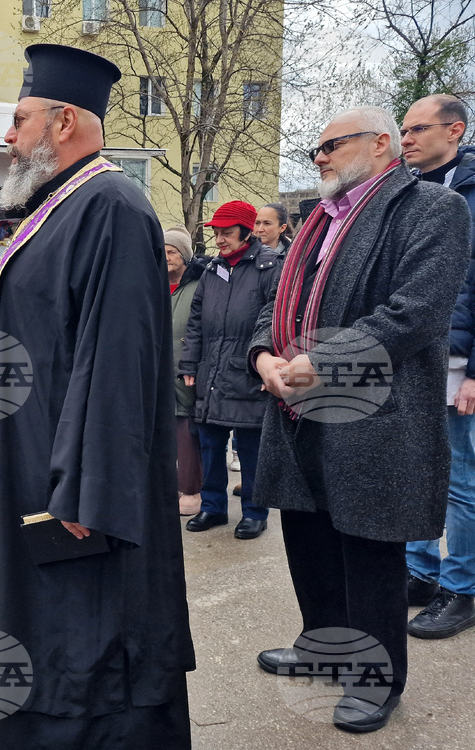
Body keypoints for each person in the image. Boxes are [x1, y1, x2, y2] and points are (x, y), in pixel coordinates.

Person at [0, 44, 195, 749]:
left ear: (63, 122)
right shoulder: (58, 207)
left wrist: (87, 490)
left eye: (19, 119)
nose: (8, 135)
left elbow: (119, 361)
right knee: (46, 631)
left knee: (89, 645)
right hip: (34, 463)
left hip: (74, 495)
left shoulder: (111, 206)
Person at [250, 106, 470, 732]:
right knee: (308, 536)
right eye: (315, 149)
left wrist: (319, 362)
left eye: (331, 145)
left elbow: (416, 312)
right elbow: (277, 302)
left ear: (379, 145)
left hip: (376, 413)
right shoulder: (319, 219)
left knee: (369, 549)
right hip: (298, 406)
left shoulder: (432, 208)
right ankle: (324, 647)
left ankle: (374, 679)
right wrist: (263, 354)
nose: (318, 157)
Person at [400, 94, 475, 639]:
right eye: (404, 129)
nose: (405, 139)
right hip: (413, 355)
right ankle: (420, 572)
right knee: (415, 467)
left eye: (418, 129)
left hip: (458, 359)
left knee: (459, 477)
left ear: (455, 130)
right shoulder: (406, 192)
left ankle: (461, 587)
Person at [179, 201, 280, 540]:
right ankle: (213, 507)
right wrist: (190, 364)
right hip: (211, 371)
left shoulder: (270, 267)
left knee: (251, 449)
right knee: (210, 445)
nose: (220, 239)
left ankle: (254, 512)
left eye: (227, 232)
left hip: (249, 371)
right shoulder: (213, 269)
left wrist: (269, 365)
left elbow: (277, 319)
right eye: (217, 233)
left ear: (246, 232)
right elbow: (196, 322)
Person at [166, 225, 205, 516]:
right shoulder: (152, 283)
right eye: (162, 251)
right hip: (159, 370)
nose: (166, 257)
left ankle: (191, 489)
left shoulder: (198, 284)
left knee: (187, 430)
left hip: (188, 368)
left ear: (184, 255)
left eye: (172, 252)